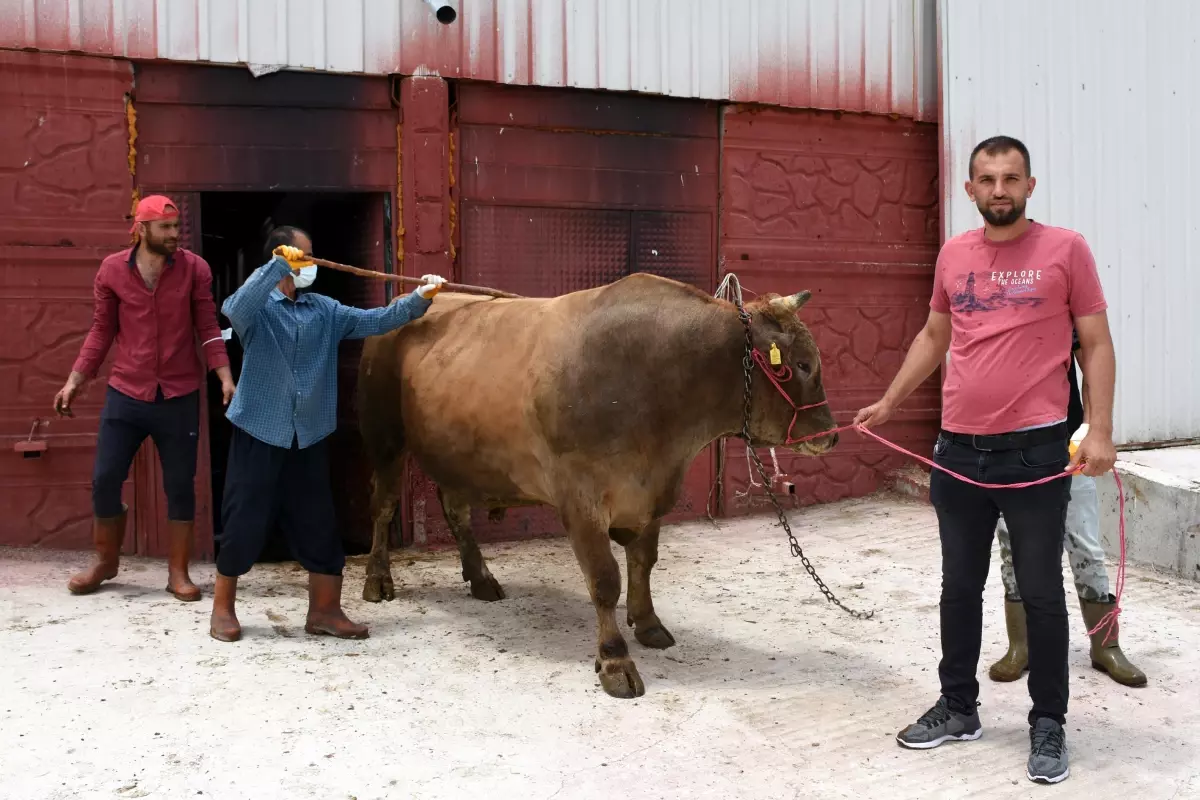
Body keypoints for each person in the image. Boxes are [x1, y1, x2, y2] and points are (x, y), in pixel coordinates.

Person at [854, 135, 1117, 785]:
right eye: (986, 179)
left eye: (1010, 178)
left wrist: (1102, 431)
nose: (999, 189)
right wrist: (890, 400)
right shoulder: (954, 254)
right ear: (968, 190)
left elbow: (1097, 343)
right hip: (957, 452)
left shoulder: (1066, 251)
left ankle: (1048, 723)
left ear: (1031, 186)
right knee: (958, 588)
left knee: (1040, 591)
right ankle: (958, 706)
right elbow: (936, 334)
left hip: (1034, 451)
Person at [208, 226, 445, 643]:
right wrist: (274, 266)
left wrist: (419, 299)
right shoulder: (259, 309)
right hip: (259, 432)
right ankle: (222, 610)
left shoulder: (325, 311)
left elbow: (377, 320)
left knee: (318, 522)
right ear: (283, 258)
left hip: (309, 437)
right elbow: (233, 308)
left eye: (311, 255)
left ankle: (324, 611)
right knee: (244, 518)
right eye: (305, 256)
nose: (312, 262)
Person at [55, 195, 237, 602]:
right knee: (104, 479)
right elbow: (101, 331)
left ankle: (178, 572)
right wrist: (74, 381)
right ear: (142, 229)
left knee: (180, 486)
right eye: (166, 228)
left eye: (177, 228)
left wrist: (225, 377)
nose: (176, 235)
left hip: (178, 394)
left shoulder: (194, 269)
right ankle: (106, 561)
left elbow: (207, 325)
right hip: (127, 393)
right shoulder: (111, 271)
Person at [990, 329, 1146, 687]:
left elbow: (1091, 361)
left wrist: (1091, 428)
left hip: (1064, 444)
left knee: (1085, 544)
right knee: (1012, 545)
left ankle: (1106, 645)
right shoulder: (992, 304)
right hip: (1006, 449)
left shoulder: (1062, 305)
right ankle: (1021, 646)